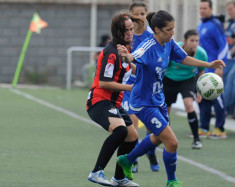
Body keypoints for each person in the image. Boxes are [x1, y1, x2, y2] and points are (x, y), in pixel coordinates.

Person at [116, 10, 225, 187]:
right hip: (143, 102)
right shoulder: (148, 46)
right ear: (157, 30)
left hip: (158, 99)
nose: (173, 32)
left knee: (158, 138)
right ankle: (171, 181)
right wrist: (126, 56)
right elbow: (132, 57)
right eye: (169, 29)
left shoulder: (169, 43)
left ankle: (128, 159)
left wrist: (209, 65)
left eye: (173, 28)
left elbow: (184, 58)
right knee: (172, 142)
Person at [86, 12, 139, 187]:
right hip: (99, 101)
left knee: (132, 137)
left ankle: (119, 178)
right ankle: (96, 171)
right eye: (127, 30)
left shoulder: (125, 49)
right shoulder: (111, 53)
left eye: (132, 29)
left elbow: (130, 69)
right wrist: (132, 87)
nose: (130, 33)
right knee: (121, 132)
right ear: (117, 31)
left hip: (114, 103)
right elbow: (104, 83)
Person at [122, 1, 159, 173]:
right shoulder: (125, 35)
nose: (138, 18)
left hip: (147, 84)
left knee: (153, 128)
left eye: (142, 14)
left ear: (146, 16)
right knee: (133, 122)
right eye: (135, 14)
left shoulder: (151, 36)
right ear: (130, 15)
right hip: (130, 84)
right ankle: (134, 157)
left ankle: (150, 151)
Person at [163, 29, 207, 149]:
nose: (194, 43)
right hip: (169, 80)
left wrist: (200, 90)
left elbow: (201, 72)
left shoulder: (201, 53)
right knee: (166, 110)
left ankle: (196, 139)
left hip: (188, 80)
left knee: (189, 105)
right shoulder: (174, 49)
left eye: (197, 41)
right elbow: (164, 67)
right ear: (185, 41)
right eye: (192, 40)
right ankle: (167, 138)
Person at [197, 0, 228, 139]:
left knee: (217, 98)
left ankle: (220, 128)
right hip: (204, 68)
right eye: (201, 8)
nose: (202, 10)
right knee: (204, 97)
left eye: (205, 8)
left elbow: (224, 46)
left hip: (214, 68)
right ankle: (204, 127)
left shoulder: (216, 25)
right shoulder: (200, 25)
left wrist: (220, 66)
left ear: (211, 9)